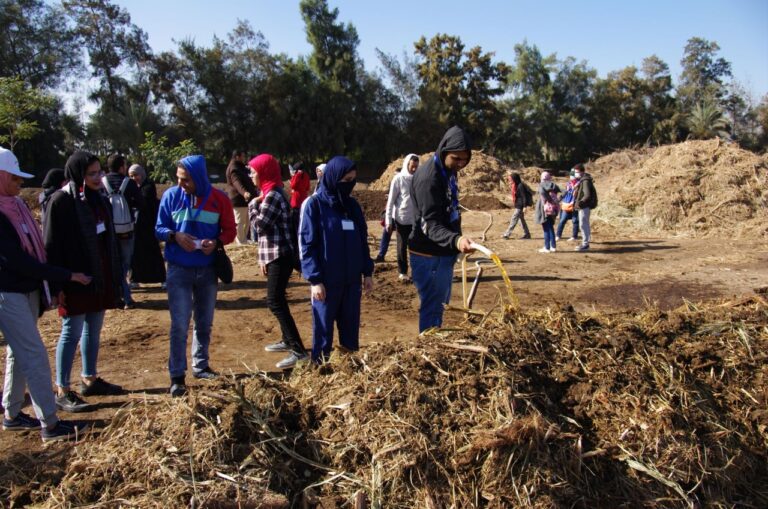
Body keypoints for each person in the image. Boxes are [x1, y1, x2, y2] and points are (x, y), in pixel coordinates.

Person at [0, 147, 90, 441]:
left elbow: (33, 251)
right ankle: (50, 424)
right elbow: (17, 261)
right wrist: (65, 275)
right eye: (15, 178)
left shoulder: (16, 207)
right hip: (8, 292)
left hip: (25, 291)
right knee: (34, 354)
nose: (20, 183)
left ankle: (12, 414)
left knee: (18, 353)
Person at [45, 151, 124, 413]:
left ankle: (89, 379)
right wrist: (59, 285)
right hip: (75, 280)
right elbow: (52, 247)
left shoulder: (98, 199)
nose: (98, 177)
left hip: (98, 276)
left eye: (99, 172)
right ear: (77, 173)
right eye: (91, 174)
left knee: (94, 327)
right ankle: (62, 389)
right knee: (72, 331)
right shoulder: (61, 202)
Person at [155, 155, 236, 397]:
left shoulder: (219, 199)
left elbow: (230, 230)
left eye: (186, 180)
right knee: (179, 324)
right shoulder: (171, 197)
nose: (181, 184)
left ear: (198, 178)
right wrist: (174, 236)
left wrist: (218, 241)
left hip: (208, 270)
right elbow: (158, 228)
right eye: (178, 179)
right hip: (179, 269)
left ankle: (200, 365)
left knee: (204, 322)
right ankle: (177, 376)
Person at [299, 156, 374, 363]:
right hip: (326, 284)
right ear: (333, 178)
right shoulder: (315, 205)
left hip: (351, 282)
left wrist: (367, 272)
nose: (349, 184)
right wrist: (314, 280)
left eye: (353, 180)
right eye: (346, 179)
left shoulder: (352, 207)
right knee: (323, 333)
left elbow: (362, 241)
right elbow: (307, 244)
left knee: (350, 332)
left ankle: (350, 371)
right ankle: (320, 373)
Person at [408, 126, 475, 333]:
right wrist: (456, 240)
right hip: (429, 255)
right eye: (456, 158)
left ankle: (432, 343)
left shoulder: (448, 172)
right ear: (444, 151)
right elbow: (430, 224)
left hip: (442, 253)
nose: (460, 164)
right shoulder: (430, 178)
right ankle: (427, 352)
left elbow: (449, 210)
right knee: (432, 308)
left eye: (465, 159)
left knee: (439, 307)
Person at [249, 155, 307, 369]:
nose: (251, 175)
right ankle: (286, 340)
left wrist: (252, 206)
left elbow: (260, 226)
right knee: (278, 298)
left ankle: (298, 351)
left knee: (274, 301)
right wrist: (261, 257)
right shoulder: (268, 193)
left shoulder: (272, 195)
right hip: (274, 254)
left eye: (254, 171)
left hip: (280, 255)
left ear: (264, 172)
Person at [104, 154, 144, 309]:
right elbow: (141, 203)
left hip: (107, 231)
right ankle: (126, 297)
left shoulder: (102, 183)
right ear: (122, 167)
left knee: (112, 264)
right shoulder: (129, 183)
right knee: (124, 265)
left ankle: (115, 296)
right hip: (126, 230)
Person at [128, 164, 166, 285]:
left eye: (136, 175)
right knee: (137, 254)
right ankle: (136, 279)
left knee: (153, 251)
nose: (134, 178)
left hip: (149, 225)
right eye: (131, 176)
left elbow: (143, 202)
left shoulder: (148, 186)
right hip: (137, 226)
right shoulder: (132, 187)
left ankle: (162, 279)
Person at [385, 153, 418, 282]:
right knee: (402, 246)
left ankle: (417, 272)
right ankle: (403, 272)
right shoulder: (398, 179)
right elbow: (391, 201)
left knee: (416, 247)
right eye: (412, 166)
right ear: (407, 165)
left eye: (416, 166)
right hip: (401, 218)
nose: (414, 169)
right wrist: (388, 220)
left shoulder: (417, 178)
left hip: (415, 219)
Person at [225, 150, 258, 245]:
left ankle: (243, 240)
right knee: (239, 221)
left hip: (245, 200)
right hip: (238, 199)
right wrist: (244, 193)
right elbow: (236, 182)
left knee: (247, 221)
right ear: (237, 157)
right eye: (243, 156)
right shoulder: (234, 168)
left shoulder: (240, 167)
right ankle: (240, 241)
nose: (244, 158)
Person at [534, 171, 561, 253]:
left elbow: (542, 195)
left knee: (546, 228)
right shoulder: (553, 186)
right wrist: (557, 201)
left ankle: (547, 247)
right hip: (553, 210)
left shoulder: (542, 186)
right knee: (551, 228)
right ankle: (553, 246)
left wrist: (549, 200)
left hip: (545, 210)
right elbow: (564, 191)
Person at [572, 163, 598, 252]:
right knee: (584, 224)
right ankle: (586, 241)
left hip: (584, 206)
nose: (575, 174)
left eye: (577, 172)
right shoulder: (583, 180)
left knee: (583, 225)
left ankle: (585, 244)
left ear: (582, 172)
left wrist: (580, 203)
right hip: (584, 206)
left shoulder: (585, 181)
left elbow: (587, 195)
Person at [501, 172, 532, 240]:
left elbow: (524, 197)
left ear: (515, 179)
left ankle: (507, 234)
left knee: (513, 219)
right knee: (521, 221)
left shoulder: (520, 186)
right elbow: (517, 196)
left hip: (520, 206)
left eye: (511, 179)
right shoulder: (516, 185)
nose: (510, 181)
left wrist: (524, 207)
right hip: (518, 205)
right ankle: (527, 234)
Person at [556, 168, 580, 242]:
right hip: (566, 204)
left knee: (575, 220)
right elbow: (565, 193)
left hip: (575, 205)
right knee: (562, 220)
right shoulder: (568, 184)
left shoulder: (579, 184)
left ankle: (574, 236)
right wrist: (559, 199)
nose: (572, 179)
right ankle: (558, 235)